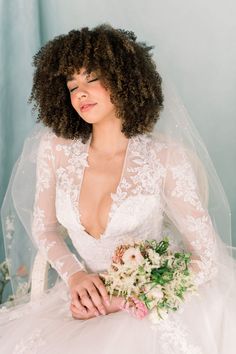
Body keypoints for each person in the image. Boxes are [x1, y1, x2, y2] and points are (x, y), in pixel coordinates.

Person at [0, 23, 235, 354]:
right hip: (80, 299)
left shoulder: (166, 158)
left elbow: (207, 258)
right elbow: (45, 228)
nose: (80, 93)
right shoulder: (55, 149)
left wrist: (126, 298)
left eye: (92, 79)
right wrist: (76, 278)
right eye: (72, 86)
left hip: (142, 310)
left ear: (125, 80)